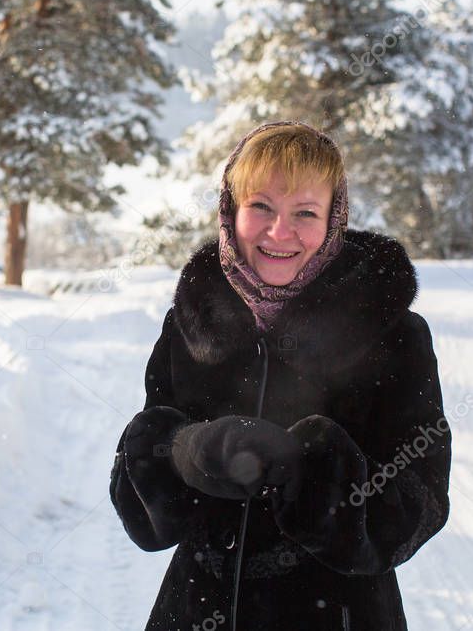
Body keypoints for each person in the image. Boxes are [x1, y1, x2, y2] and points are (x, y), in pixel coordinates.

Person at [109, 121, 452, 630]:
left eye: (305, 213)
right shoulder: (191, 320)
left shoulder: (393, 334)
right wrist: (184, 452)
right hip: (197, 605)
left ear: (334, 218)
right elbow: (137, 497)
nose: (279, 231)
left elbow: (421, 499)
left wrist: (316, 476)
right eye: (261, 206)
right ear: (230, 208)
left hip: (338, 611)